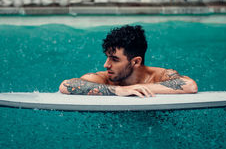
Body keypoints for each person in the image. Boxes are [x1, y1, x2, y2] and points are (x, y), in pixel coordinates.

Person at [59, 25, 198, 97]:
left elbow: (190, 86)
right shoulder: (106, 79)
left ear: (136, 62)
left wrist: (137, 88)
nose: (106, 65)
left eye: (114, 59)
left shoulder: (159, 76)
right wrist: (119, 90)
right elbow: (66, 85)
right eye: (107, 57)